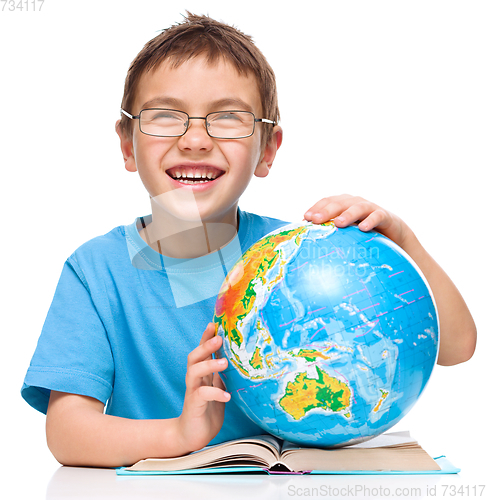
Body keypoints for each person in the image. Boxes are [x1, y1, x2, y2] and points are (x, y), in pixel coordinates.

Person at [21, 13, 476, 468]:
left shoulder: (304, 255)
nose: (195, 139)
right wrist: (180, 433)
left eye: (227, 118)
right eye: (164, 117)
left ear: (268, 149)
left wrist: (402, 243)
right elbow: (67, 434)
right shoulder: (95, 272)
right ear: (126, 144)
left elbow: (457, 347)